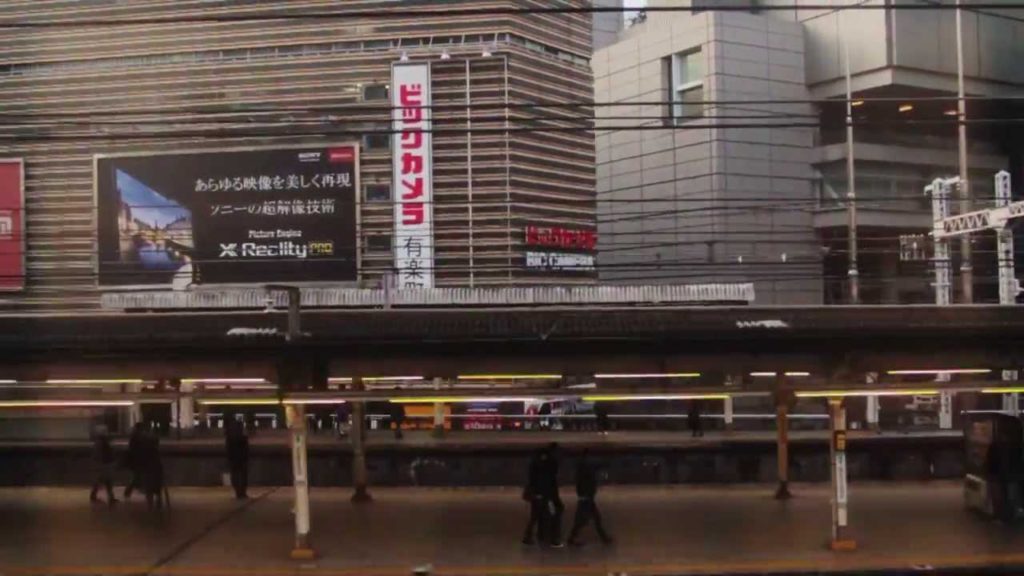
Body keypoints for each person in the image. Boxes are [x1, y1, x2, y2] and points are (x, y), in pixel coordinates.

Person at [567, 449, 612, 546]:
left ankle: (604, 537)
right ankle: (571, 539)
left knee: (593, 519)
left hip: (587, 498)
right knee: (582, 521)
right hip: (586, 499)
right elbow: (599, 466)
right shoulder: (586, 468)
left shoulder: (582, 468)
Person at [521, 447, 549, 545]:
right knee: (537, 517)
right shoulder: (539, 469)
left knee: (537, 517)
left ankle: (538, 535)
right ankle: (533, 536)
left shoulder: (534, 467)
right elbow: (538, 483)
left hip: (537, 495)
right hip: (538, 495)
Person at [540, 442, 565, 548]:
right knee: (554, 515)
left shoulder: (544, 463)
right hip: (550, 495)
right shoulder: (551, 464)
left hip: (548, 494)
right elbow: (550, 482)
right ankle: (554, 539)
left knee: (548, 515)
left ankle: (545, 537)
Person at [89, 425, 118, 506]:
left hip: (104, 464)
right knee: (106, 481)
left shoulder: (100, 442)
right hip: (104, 464)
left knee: (103, 481)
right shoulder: (102, 442)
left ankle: (97, 495)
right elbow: (100, 454)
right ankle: (109, 497)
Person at [225, 420, 250, 499]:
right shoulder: (243, 438)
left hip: (233, 459)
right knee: (242, 475)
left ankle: (238, 492)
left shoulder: (229, 437)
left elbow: (228, 449)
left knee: (235, 475)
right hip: (242, 459)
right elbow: (246, 449)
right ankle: (242, 492)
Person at [122, 422, 146, 500]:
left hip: (135, 459)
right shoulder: (137, 437)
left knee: (137, 475)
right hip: (137, 460)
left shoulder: (134, 436)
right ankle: (128, 491)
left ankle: (132, 490)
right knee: (136, 476)